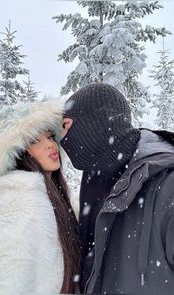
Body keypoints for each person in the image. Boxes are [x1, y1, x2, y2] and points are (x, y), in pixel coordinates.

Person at [0, 101, 80, 295]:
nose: (51, 145)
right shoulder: (13, 209)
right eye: (35, 140)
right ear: (16, 154)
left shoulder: (58, 201)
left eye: (50, 136)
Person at [60, 83, 174, 295]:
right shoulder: (95, 183)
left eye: (66, 126)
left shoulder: (168, 187)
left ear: (92, 125)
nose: (62, 139)